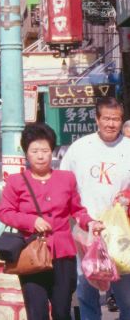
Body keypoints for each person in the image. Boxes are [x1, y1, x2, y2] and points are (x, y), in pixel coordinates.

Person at [0, 122, 103, 320]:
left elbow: (77, 209)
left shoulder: (67, 178)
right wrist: (31, 221)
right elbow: (4, 212)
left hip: (63, 255)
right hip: (32, 254)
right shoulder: (16, 181)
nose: (40, 156)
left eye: (45, 150)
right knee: (37, 313)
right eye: (35, 151)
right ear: (26, 153)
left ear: (52, 152)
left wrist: (90, 223)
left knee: (62, 311)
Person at [60, 96, 130, 319]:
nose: (111, 124)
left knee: (125, 293)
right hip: (85, 231)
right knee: (86, 289)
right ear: (97, 119)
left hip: (120, 232)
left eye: (116, 119)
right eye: (107, 118)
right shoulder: (79, 148)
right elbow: (65, 185)